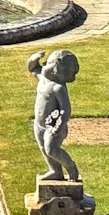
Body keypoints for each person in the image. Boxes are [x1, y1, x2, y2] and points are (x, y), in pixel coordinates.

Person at [28, 49, 80, 182]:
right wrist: (33, 59)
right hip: (39, 124)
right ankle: (55, 171)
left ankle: (71, 166)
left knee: (51, 149)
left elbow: (65, 109)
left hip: (53, 125)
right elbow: (33, 68)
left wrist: (60, 123)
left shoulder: (58, 87)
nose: (45, 68)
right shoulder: (43, 78)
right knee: (43, 148)